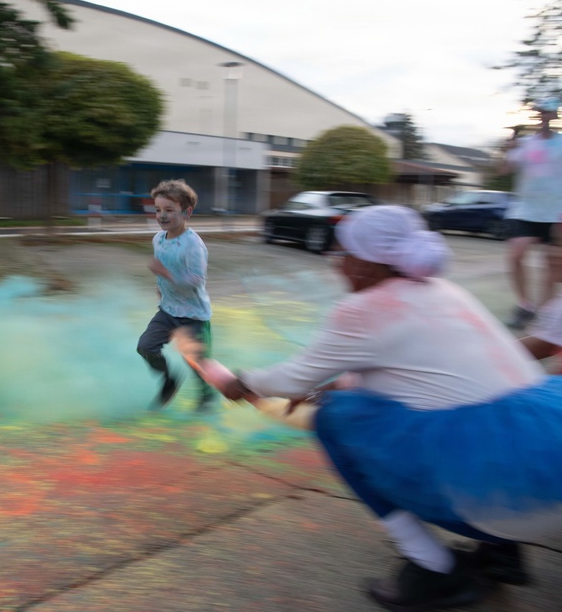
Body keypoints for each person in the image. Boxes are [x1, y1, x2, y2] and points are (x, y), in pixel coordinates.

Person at [182, 205, 562, 610]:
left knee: (337, 419)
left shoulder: (363, 309)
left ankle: (434, 569)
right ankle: (500, 555)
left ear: (367, 263)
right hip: (549, 466)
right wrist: (325, 386)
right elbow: (396, 374)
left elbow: (290, 381)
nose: (338, 266)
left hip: (503, 497)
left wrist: (241, 383)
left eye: (342, 255)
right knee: (388, 407)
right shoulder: (445, 291)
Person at [136, 179, 216, 411]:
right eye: (158, 210)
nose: (161, 215)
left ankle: (206, 400)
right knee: (146, 346)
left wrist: (166, 274)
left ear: (187, 212)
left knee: (197, 363)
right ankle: (169, 379)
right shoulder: (158, 239)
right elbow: (165, 269)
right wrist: (161, 286)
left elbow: (196, 280)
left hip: (193, 315)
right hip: (168, 310)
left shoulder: (193, 245)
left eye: (169, 210)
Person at [499, 96, 562, 330]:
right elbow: (504, 170)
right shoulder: (525, 143)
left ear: (554, 115)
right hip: (524, 209)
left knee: (551, 266)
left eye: (547, 112)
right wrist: (506, 151)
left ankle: (544, 313)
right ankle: (525, 306)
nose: (543, 116)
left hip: (555, 212)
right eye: (539, 112)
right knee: (516, 255)